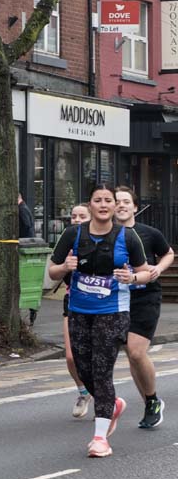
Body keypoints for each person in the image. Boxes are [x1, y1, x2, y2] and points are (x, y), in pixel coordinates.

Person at [48, 184, 148, 457]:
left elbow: (145, 272)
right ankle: (112, 403)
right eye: (98, 200)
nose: (103, 205)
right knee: (83, 366)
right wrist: (64, 267)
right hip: (79, 311)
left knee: (102, 369)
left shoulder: (128, 237)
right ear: (90, 205)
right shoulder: (72, 234)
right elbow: (52, 272)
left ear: (115, 207)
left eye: (108, 201)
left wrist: (134, 278)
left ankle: (100, 437)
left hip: (113, 312)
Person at [114, 186, 174, 429]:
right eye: (116, 201)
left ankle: (152, 401)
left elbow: (168, 253)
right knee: (131, 355)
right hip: (115, 299)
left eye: (126, 201)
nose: (121, 205)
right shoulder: (103, 235)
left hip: (145, 298)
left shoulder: (149, 233)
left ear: (135, 207)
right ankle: (149, 400)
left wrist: (158, 269)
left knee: (136, 351)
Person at [61, 203, 92, 419]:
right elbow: (54, 271)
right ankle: (83, 392)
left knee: (96, 355)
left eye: (82, 216)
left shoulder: (103, 240)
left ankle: (103, 395)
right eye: (73, 216)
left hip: (100, 303)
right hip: (72, 300)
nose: (77, 219)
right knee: (71, 357)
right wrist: (65, 266)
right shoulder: (68, 239)